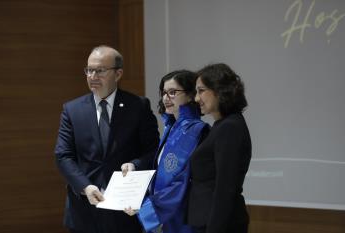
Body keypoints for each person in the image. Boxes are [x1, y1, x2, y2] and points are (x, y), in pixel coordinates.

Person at [54, 45, 159, 233]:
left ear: (118, 74)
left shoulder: (138, 106)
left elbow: (153, 151)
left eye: (100, 70)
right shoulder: (72, 109)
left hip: (125, 212)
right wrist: (85, 187)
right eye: (89, 70)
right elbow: (63, 155)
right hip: (84, 211)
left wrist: (135, 164)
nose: (93, 76)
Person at [122, 70, 210, 233]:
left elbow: (181, 182)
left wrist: (147, 208)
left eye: (172, 92)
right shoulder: (171, 127)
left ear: (191, 95)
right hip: (167, 215)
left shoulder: (194, 131)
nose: (165, 98)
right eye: (163, 93)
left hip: (183, 217)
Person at [187, 63, 252, 233]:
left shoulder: (229, 128)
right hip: (209, 220)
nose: (196, 98)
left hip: (220, 224)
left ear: (220, 90)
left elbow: (225, 188)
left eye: (201, 91)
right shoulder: (222, 125)